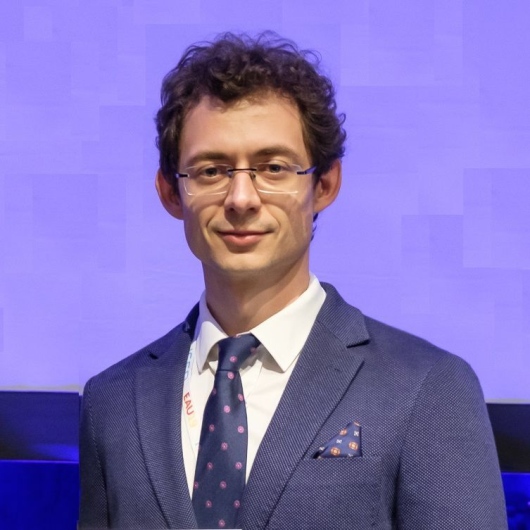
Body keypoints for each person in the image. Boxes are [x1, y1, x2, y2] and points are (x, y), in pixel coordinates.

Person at [79, 32, 507, 529]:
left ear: (324, 184)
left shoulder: (427, 387)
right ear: (170, 193)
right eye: (211, 170)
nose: (241, 198)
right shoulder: (113, 402)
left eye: (273, 167)